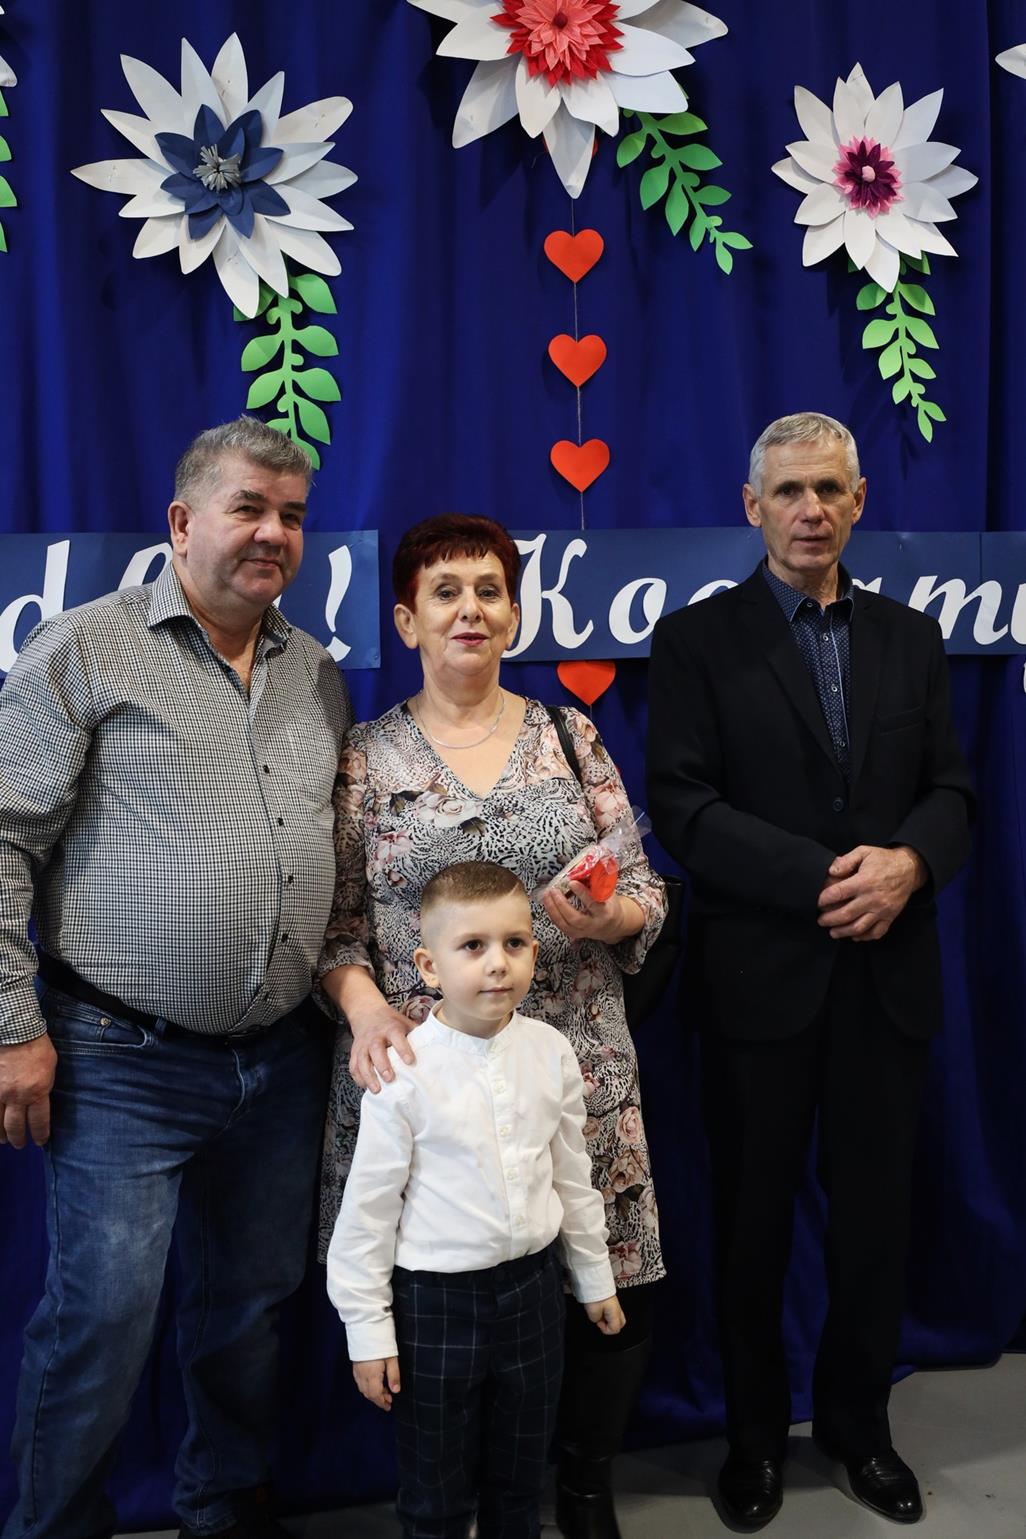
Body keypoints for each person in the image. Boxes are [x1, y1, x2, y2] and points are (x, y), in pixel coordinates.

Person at [0, 417, 352, 1539]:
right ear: (182, 522)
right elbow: (3, 836)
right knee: (101, 1322)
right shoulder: (86, 649)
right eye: (249, 508)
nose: (273, 533)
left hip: (281, 1061)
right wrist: (11, 1025)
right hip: (120, 1059)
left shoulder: (316, 673)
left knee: (249, 1313)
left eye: (292, 515)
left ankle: (223, 1506)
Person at [647, 411, 973, 1529]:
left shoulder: (912, 639)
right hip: (760, 986)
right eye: (788, 491)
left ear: (859, 501)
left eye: (830, 489)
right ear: (752, 507)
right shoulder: (696, 642)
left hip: (887, 983)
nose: (810, 510)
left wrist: (910, 863)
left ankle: (857, 1429)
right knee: (752, 1229)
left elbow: (953, 791)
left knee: (876, 1226)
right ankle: (752, 1441)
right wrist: (827, 878)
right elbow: (683, 806)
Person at [318, 513, 667, 1539]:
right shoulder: (364, 757)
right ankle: (444, 1503)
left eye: (489, 590)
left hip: (575, 1059)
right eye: (445, 591)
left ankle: (583, 1490)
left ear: (515, 613)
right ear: (406, 620)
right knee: (439, 1299)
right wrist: (366, 1008)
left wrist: (610, 916)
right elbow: (332, 925)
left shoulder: (571, 735)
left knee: (606, 1271)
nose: (469, 608)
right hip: (423, 1075)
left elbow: (644, 887)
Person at [328, 860, 625, 1538]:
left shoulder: (550, 1052)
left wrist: (594, 1278)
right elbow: (368, 1214)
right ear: (429, 966)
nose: (498, 963)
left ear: (534, 953)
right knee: (435, 1493)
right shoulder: (403, 1072)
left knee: (519, 1483)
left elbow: (572, 1176)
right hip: (435, 1304)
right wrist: (368, 1332)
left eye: (514, 943)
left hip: (533, 1296)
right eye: (473, 946)